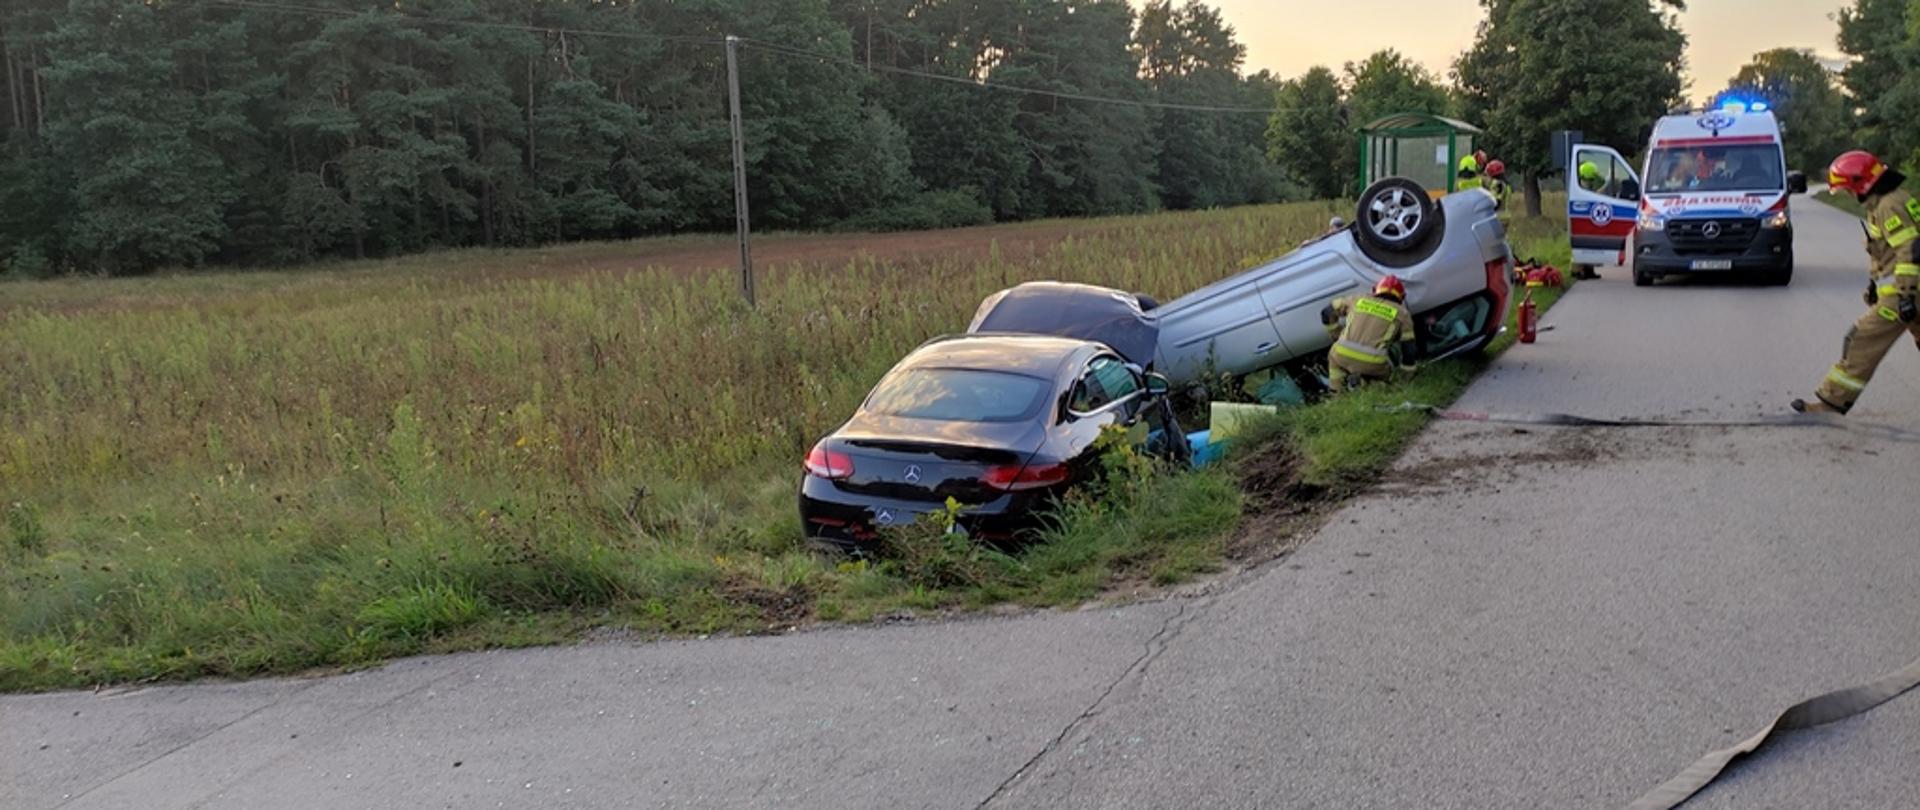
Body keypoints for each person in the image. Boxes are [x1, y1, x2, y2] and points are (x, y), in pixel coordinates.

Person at [1793, 150, 1920, 414]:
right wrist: (1875, 285)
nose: (1848, 195)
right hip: (1906, 288)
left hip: (1906, 291)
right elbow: (1888, 251)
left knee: (1861, 340)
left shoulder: (1888, 206)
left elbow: (1910, 249)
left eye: (1847, 189)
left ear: (1860, 183)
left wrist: (1906, 296)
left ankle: (1830, 402)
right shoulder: (1888, 201)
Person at [1319, 275, 1417, 392]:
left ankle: (1336, 394)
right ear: (1402, 297)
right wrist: (1406, 376)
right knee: (1385, 379)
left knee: (1335, 364)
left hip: (1341, 354)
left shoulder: (1357, 299)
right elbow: (1409, 349)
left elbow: (1326, 312)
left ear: (1374, 290)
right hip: (1374, 363)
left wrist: (1336, 335)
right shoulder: (1403, 315)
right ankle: (1363, 383)